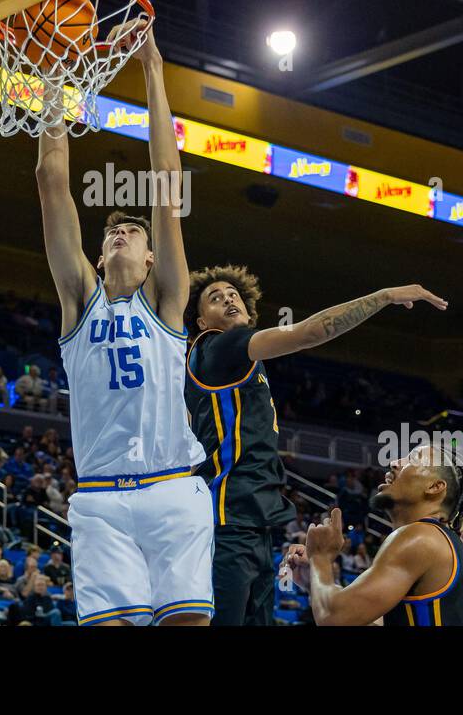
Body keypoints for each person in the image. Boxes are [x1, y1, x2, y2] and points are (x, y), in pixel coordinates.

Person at [34, 20, 211, 627]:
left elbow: (166, 186)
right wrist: (54, 81)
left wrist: (153, 70)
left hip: (171, 485)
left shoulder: (165, 301)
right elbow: (51, 181)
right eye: (112, 231)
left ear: (153, 256)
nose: (119, 232)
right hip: (101, 498)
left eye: (131, 231)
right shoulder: (79, 300)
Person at [183, 265, 446, 625]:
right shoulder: (220, 345)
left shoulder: (236, 365)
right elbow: (310, 332)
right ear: (201, 321)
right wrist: (384, 296)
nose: (228, 298)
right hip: (227, 519)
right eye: (215, 297)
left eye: (234, 293)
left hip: (252, 522)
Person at [285, 445, 463, 626]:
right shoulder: (454, 552)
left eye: (413, 459)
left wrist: (320, 557)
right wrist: (316, 582)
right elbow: (352, 616)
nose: (394, 463)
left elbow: (334, 618)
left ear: (435, 487)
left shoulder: (421, 537)